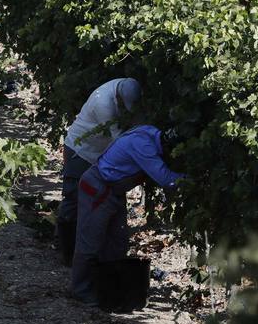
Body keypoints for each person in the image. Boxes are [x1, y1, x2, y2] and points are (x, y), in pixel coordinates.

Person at [70, 124, 183, 305]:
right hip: (98, 189)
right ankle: (81, 290)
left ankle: (108, 287)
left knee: (118, 241)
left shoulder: (150, 132)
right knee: (90, 241)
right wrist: (195, 180)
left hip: (114, 191)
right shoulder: (144, 146)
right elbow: (166, 179)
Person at [56, 78, 142, 264]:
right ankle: (67, 252)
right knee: (73, 200)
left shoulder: (125, 89)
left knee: (109, 202)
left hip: (101, 154)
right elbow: (119, 141)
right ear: (118, 97)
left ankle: (102, 255)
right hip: (81, 152)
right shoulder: (103, 102)